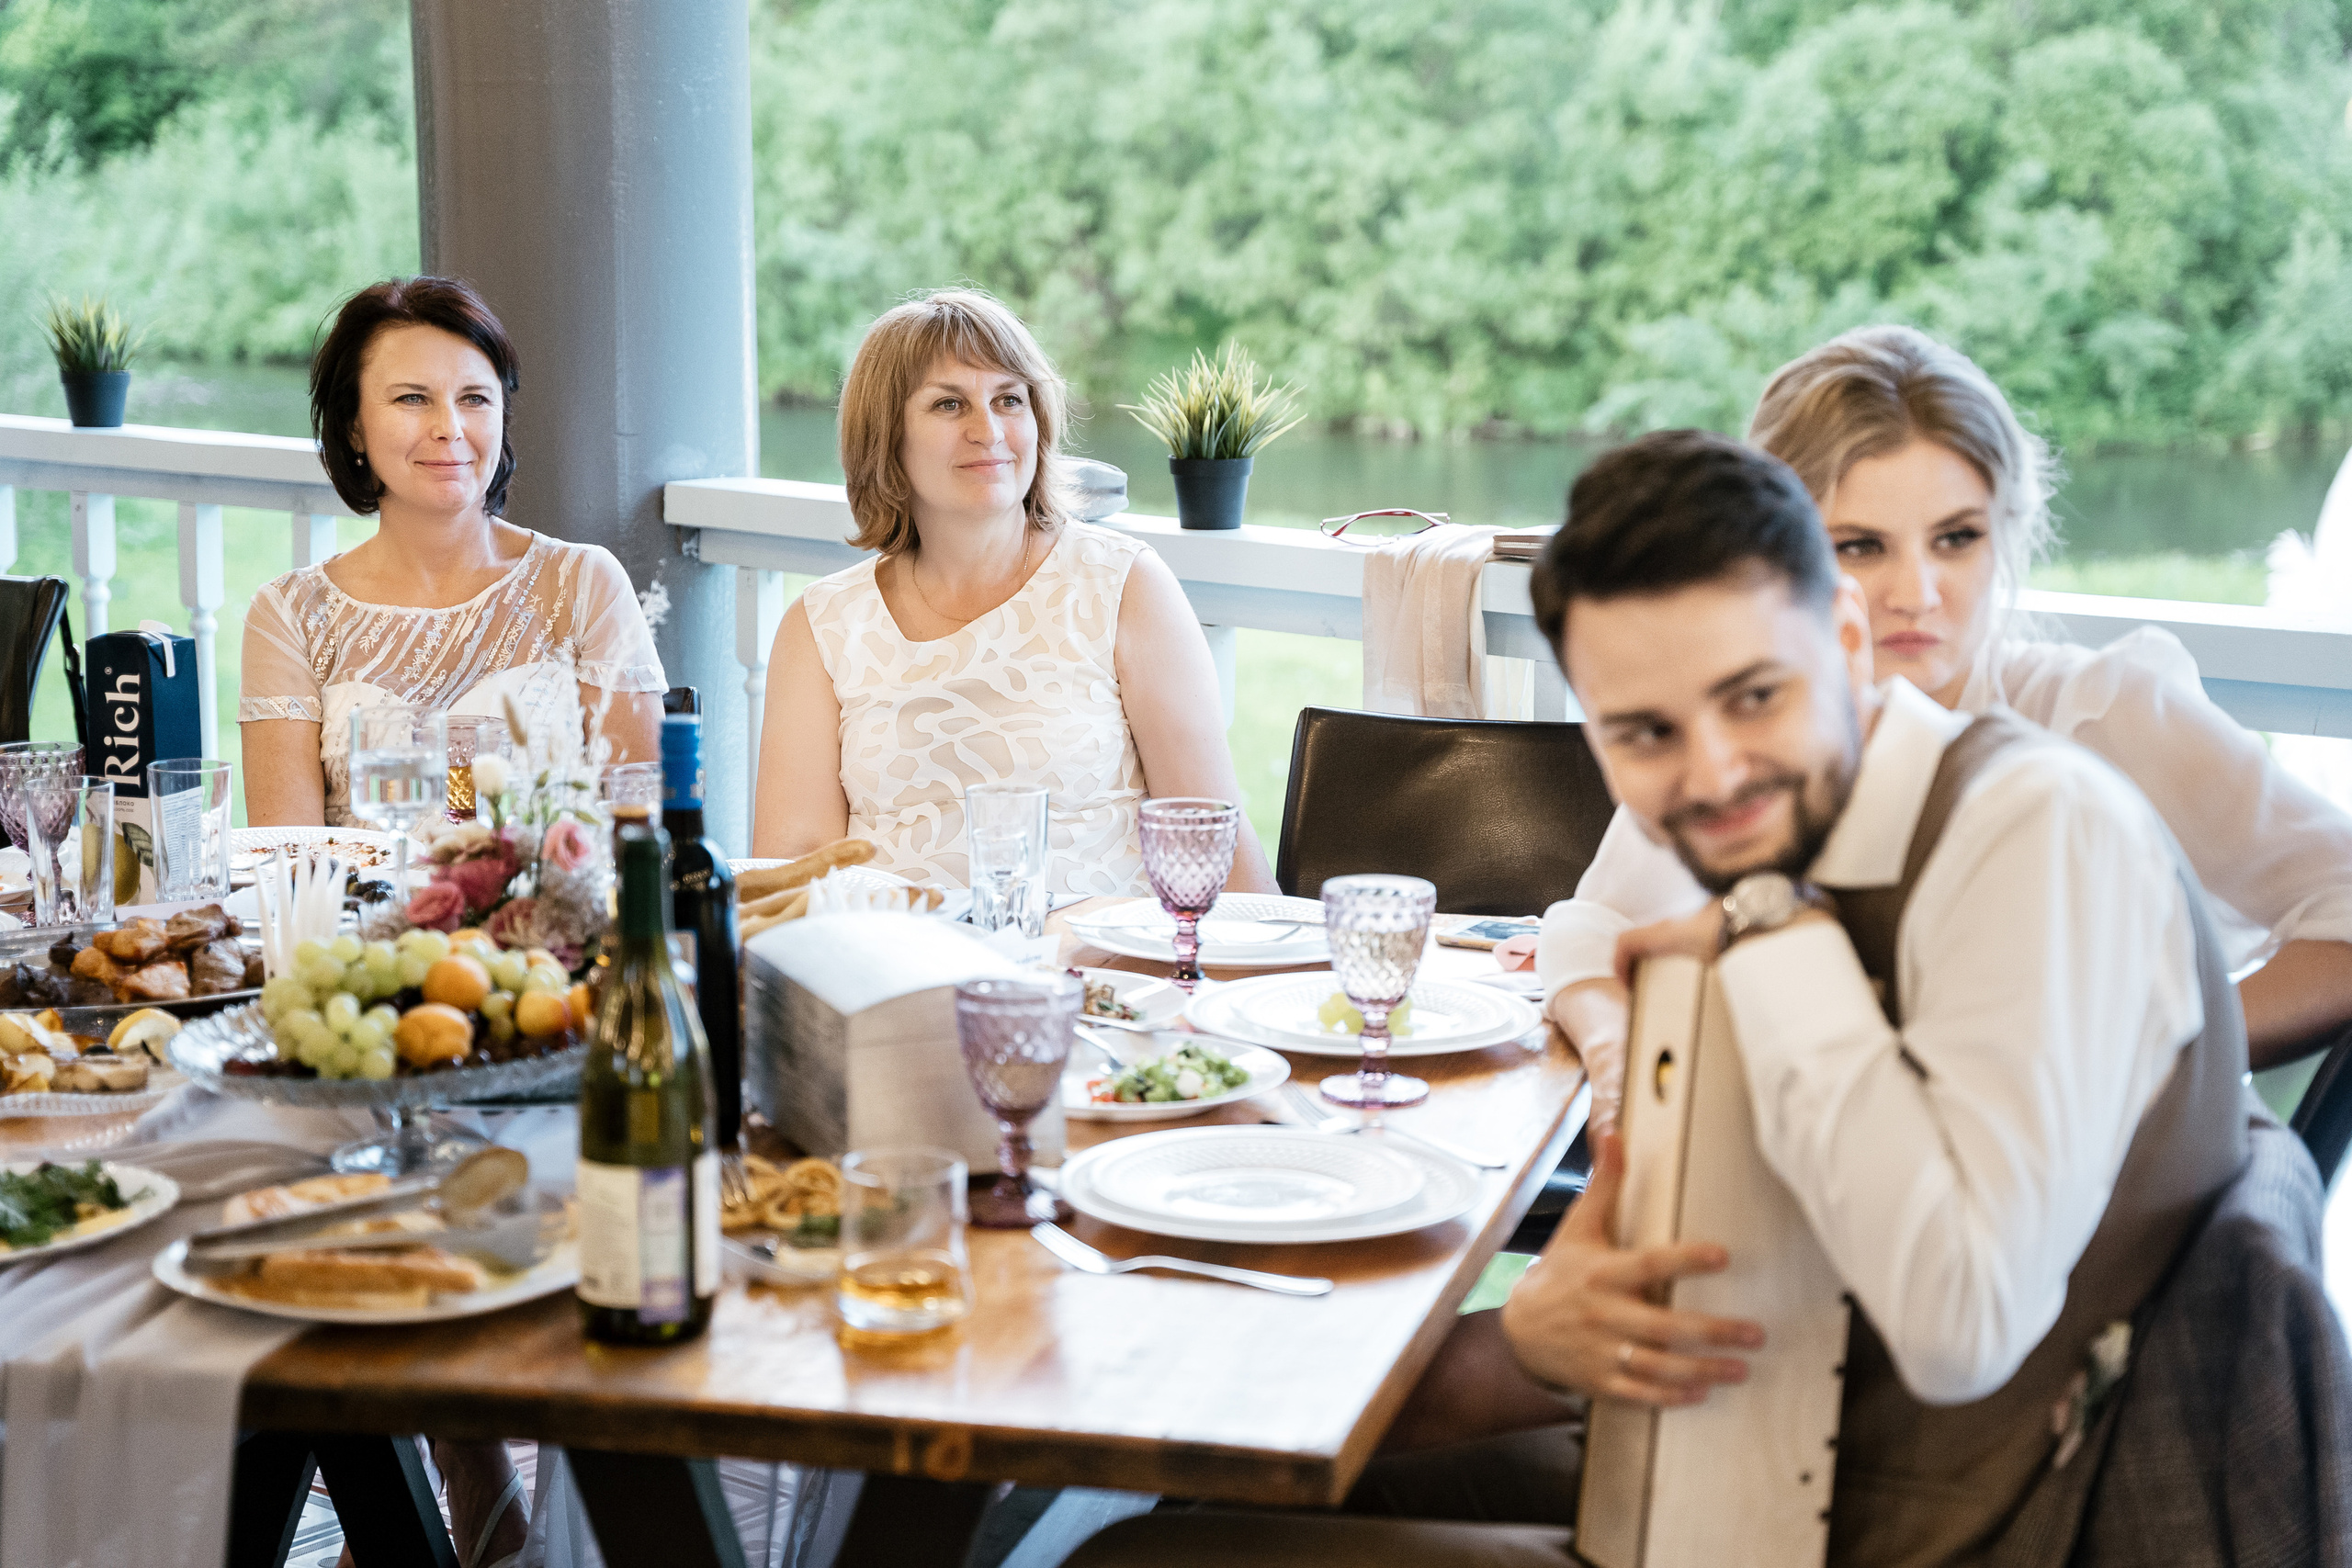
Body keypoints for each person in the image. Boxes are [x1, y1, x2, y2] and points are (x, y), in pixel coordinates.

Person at [1067, 430, 2252, 1567]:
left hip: (1922, 1527)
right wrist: (1535, 1330)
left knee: (1133, 1560)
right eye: (1643, 732)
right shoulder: (1818, 828)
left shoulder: (2034, 831)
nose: (1713, 773)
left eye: (1753, 697)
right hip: (1755, 1445)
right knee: (1222, 1489)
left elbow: (1959, 1328)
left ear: (1846, 638)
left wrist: (1772, 930)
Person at [1544, 326, 2352, 1128]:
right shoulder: (1760, 735)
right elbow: (1592, 926)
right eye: (1861, 545)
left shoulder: (2106, 715)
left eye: (1956, 538)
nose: (1918, 592)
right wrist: (1617, 1058)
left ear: (2004, 535)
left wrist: (2159, 1056)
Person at [752, 288, 1275, 894]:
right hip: (894, 970)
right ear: (886, 436)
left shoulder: (1122, 583)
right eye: (949, 404)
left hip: (1097, 972)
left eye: (1009, 399)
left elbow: (1213, 838)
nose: (989, 430)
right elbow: (795, 873)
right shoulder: (822, 626)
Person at [242, 276, 665, 828]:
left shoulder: (584, 585)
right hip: (364, 913)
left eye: (474, 399)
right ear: (353, 429)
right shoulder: (289, 616)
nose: (450, 428)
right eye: (412, 399)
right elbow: (288, 860)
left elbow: (645, 834)